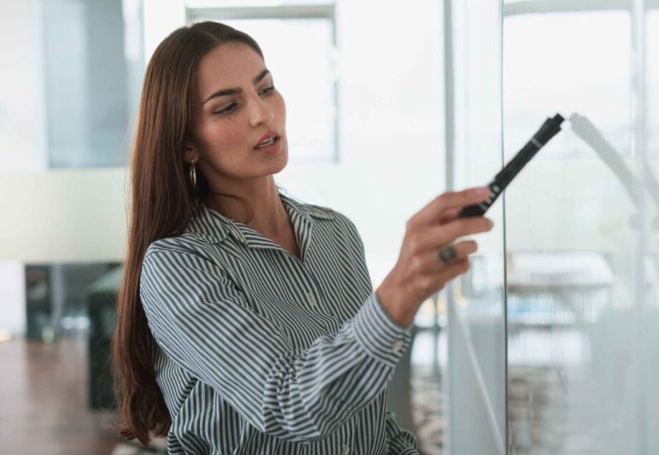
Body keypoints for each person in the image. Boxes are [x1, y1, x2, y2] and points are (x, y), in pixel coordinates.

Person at [111, 21, 494, 454]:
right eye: (227, 107)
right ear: (186, 145)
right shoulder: (176, 265)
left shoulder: (337, 234)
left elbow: (370, 412)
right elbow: (287, 403)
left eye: (266, 88)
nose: (262, 113)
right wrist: (400, 292)